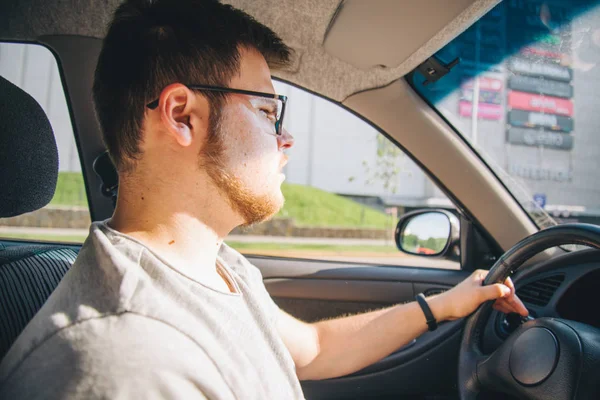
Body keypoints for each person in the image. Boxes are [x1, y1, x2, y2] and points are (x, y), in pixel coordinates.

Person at [0, 0, 528, 398]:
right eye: (268, 111)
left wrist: (445, 305)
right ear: (182, 115)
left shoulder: (216, 266)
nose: (287, 138)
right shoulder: (126, 359)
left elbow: (313, 349)